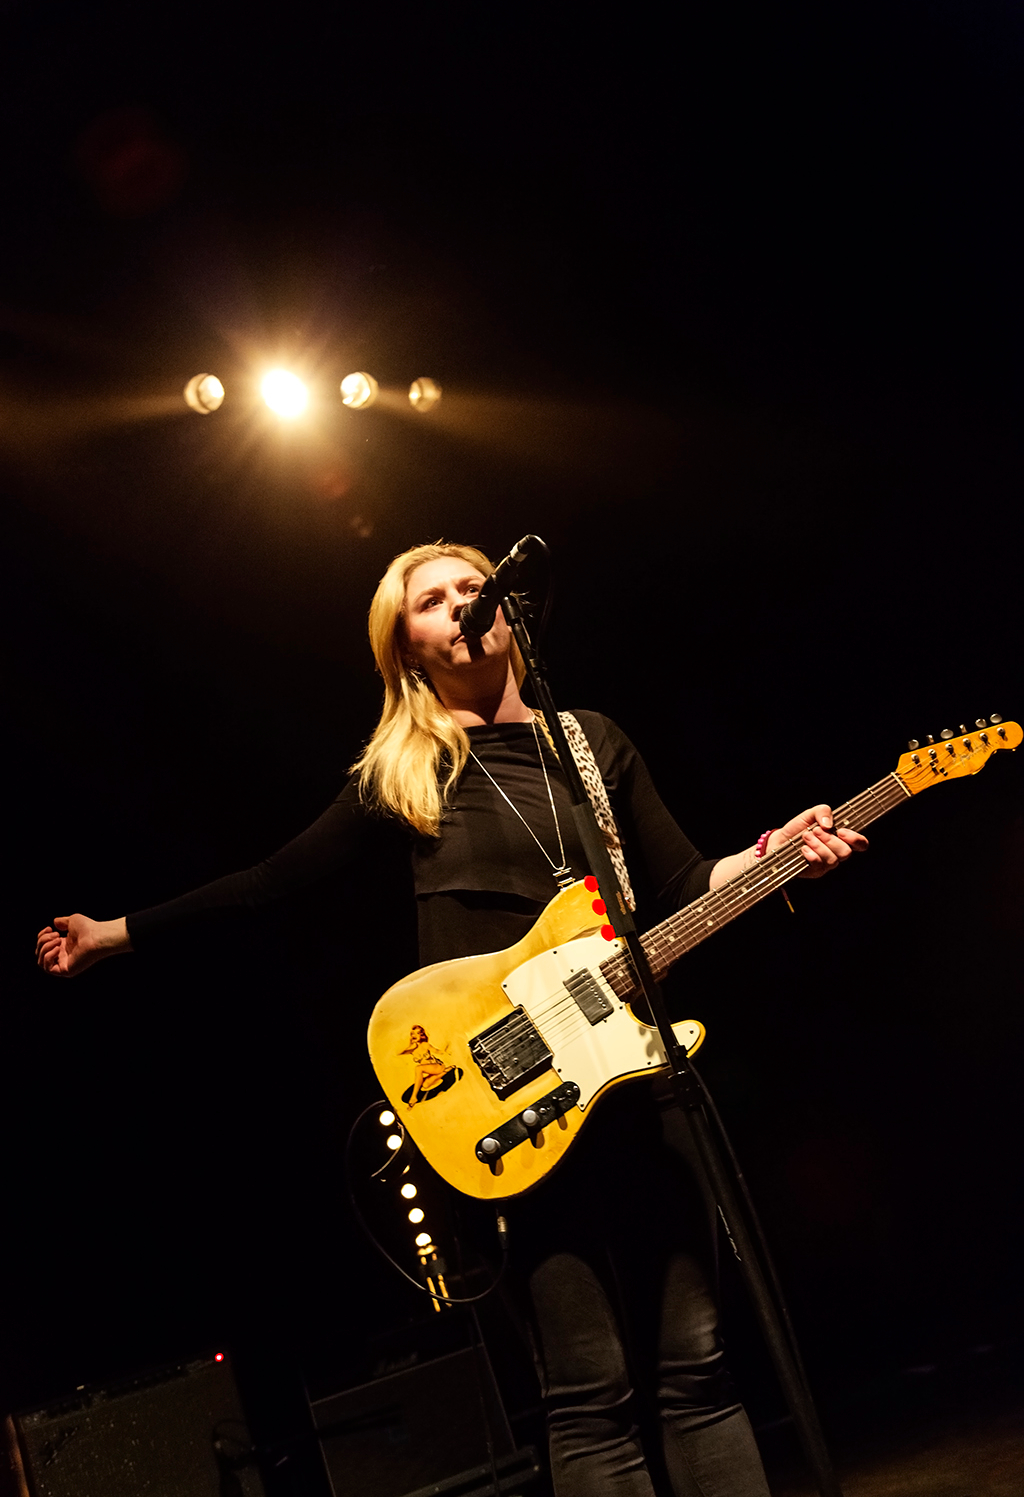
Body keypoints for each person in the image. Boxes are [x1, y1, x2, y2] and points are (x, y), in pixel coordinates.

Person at [37, 541, 867, 1497]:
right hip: (512, 1097)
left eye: (475, 586)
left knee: (700, 1366)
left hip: (640, 1077)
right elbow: (269, 883)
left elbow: (684, 881)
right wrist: (115, 934)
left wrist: (773, 853)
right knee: (590, 1391)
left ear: (511, 611)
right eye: (432, 599)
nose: (464, 603)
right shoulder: (406, 773)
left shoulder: (591, 742)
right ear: (407, 649)